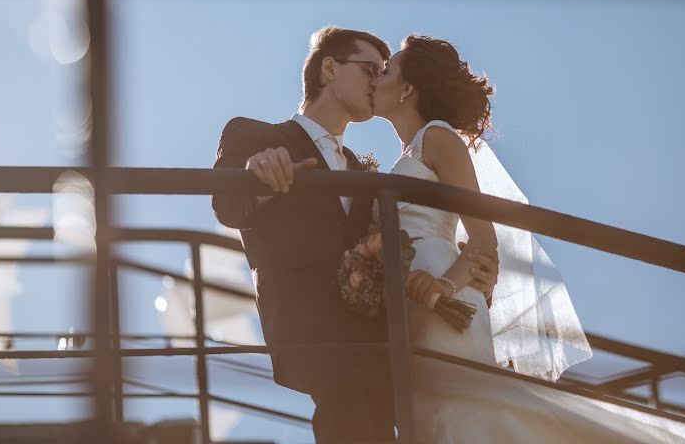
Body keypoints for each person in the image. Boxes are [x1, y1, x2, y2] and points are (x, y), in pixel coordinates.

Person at [369, 35, 685, 443]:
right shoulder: (403, 156)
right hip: (410, 300)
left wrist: (444, 287)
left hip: (441, 300)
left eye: (385, 70)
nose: (375, 78)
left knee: (464, 416)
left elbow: (484, 240)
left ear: (407, 88)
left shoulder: (438, 139)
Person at [211, 26, 499, 443]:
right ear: (330, 68)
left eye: (384, 72)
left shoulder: (368, 175)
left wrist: (472, 275)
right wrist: (258, 175)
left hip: (381, 336)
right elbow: (227, 204)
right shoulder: (260, 137)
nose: (378, 80)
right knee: (348, 412)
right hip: (309, 325)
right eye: (370, 69)